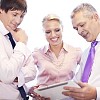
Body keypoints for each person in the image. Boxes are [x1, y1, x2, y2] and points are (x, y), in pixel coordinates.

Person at [29, 14, 82, 99]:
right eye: (48, 32)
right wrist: (29, 89)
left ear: (62, 29)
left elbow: (89, 72)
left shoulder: (75, 52)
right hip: (43, 98)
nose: (53, 35)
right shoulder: (37, 53)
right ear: (43, 32)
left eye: (57, 30)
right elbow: (23, 74)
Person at [62, 3, 100, 100]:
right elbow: (75, 87)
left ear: (95, 17)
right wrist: (51, 96)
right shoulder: (87, 53)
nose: (79, 31)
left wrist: (96, 93)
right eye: (76, 28)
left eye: (82, 25)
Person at [0, 0, 37, 99]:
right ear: (1, 10)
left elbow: (33, 71)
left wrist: (16, 76)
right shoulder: (20, 39)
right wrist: (22, 42)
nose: (18, 21)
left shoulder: (15, 34)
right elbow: (7, 75)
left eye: (22, 16)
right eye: (14, 14)